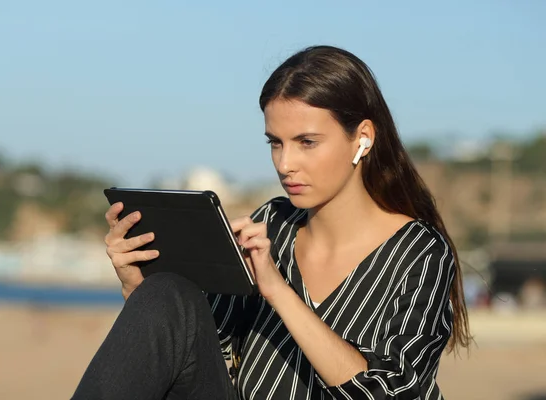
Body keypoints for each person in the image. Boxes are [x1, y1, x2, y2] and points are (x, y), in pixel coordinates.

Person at [72, 45, 471, 399]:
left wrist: (278, 291)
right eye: (275, 143)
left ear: (362, 137)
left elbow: (392, 393)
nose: (285, 164)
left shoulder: (420, 253)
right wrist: (139, 289)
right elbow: (204, 348)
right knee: (167, 291)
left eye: (307, 142)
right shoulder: (272, 224)